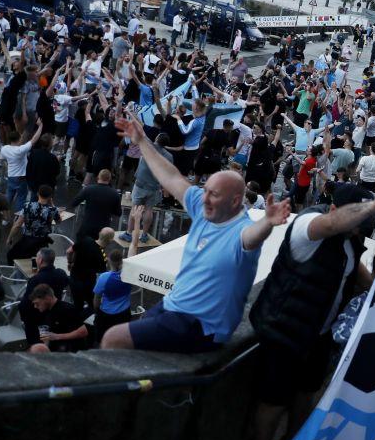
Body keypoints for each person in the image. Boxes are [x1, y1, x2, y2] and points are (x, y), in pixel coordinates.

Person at [101, 114, 290, 353]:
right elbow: (170, 176)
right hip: (173, 305)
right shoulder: (203, 205)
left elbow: (253, 237)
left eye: (214, 194)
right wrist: (142, 141)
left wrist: (268, 223)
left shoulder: (241, 230)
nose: (205, 198)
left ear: (234, 202)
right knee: (134, 339)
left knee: (112, 339)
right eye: (205, 190)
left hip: (201, 325)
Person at [249, 184, 375, 440]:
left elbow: (354, 271)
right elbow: (332, 224)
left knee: (306, 392)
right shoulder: (308, 225)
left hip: (317, 334)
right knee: (273, 399)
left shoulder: (350, 239)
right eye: (356, 224)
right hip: (285, 330)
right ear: (334, 209)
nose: (359, 232)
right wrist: (371, 206)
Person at [25, 284, 89, 352]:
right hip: (54, 351)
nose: (35, 306)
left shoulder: (67, 309)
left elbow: (83, 332)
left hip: (71, 351)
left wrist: (57, 336)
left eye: (37, 303)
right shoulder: (43, 311)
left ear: (47, 298)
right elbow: (44, 335)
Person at [6, 185, 61, 262]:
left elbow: (17, 225)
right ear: (50, 196)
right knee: (38, 262)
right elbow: (59, 221)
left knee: (13, 256)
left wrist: (9, 238)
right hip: (42, 243)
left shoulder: (27, 206)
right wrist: (52, 205)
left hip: (27, 241)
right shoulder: (52, 210)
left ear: (38, 194)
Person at [0, 121, 43, 213]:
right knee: (21, 197)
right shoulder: (21, 150)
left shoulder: (4, 149)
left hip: (11, 176)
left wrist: (7, 169)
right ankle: (18, 217)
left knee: (9, 195)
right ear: (19, 139)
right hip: (21, 178)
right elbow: (34, 139)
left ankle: (3, 216)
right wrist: (40, 126)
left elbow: (3, 161)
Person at [69, 169, 122, 241]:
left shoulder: (89, 189)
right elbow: (118, 213)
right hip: (103, 229)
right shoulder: (114, 194)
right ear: (109, 179)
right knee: (98, 250)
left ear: (98, 177)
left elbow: (74, 202)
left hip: (87, 226)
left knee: (80, 248)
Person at [93, 249, 132, 345]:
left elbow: (97, 298)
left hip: (106, 315)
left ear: (109, 261)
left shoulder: (104, 277)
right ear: (122, 260)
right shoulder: (129, 274)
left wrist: (97, 311)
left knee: (102, 339)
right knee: (121, 340)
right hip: (124, 313)